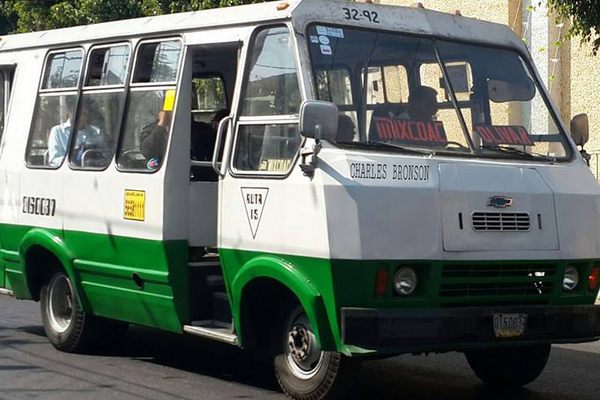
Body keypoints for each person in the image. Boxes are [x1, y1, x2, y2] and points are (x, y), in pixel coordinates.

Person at [48, 101, 103, 167]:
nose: (82, 117)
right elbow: (54, 159)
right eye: (79, 114)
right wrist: (72, 160)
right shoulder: (58, 131)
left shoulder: (96, 131)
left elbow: (104, 154)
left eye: (85, 114)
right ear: (69, 112)